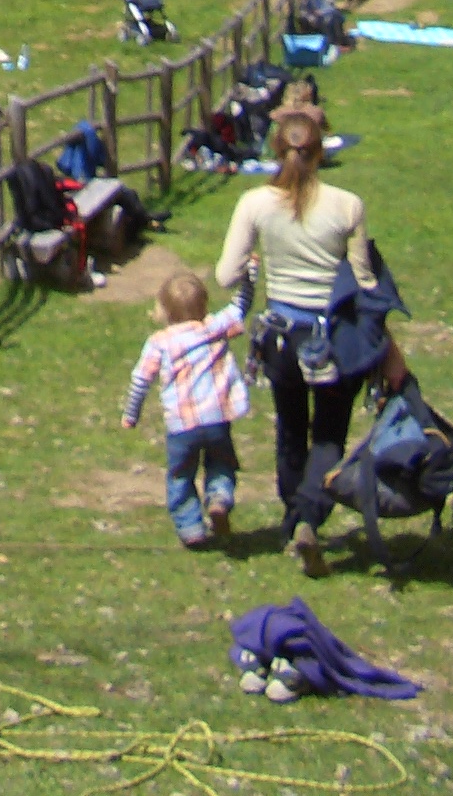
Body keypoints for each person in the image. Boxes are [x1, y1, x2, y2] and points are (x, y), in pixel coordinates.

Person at [215, 108, 375, 577]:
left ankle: (293, 520)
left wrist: (254, 265)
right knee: (328, 433)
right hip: (333, 337)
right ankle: (309, 517)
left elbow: (225, 274)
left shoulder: (255, 203)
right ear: (320, 152)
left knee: (289, 428)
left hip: (282, 338)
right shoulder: (348, 205)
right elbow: (364, 281)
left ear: (275, 150)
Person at [120, 267, 253, 548]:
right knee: (221, 463)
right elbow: (241, 306)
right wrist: (249, 276)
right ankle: (219, 498)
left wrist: (131, 413)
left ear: (165, 311)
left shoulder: (160, 343)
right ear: (204, 305)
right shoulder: (213, 327)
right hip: (217, 419)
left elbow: (141, 380)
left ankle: (191, 527)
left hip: (182, 426)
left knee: (181, 475)